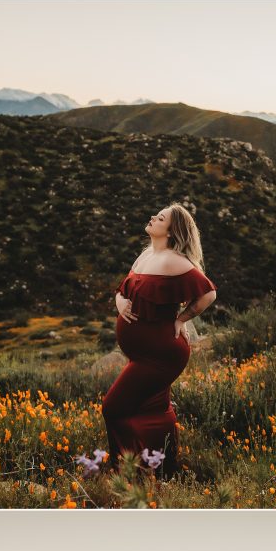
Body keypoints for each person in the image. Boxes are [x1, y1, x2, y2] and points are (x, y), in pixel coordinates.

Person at [101, 204, 217, 478]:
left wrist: (182, 319)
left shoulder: (173, 260)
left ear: (172, 231)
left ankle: (130, 472)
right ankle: (162, 469)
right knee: (151, 408)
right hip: (143, 353)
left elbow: (208, 294)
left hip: (161, 354)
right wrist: (120, 304)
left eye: (161, 218)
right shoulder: (145, 255)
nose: (153, 217)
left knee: (113, 407)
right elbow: (124, 289)